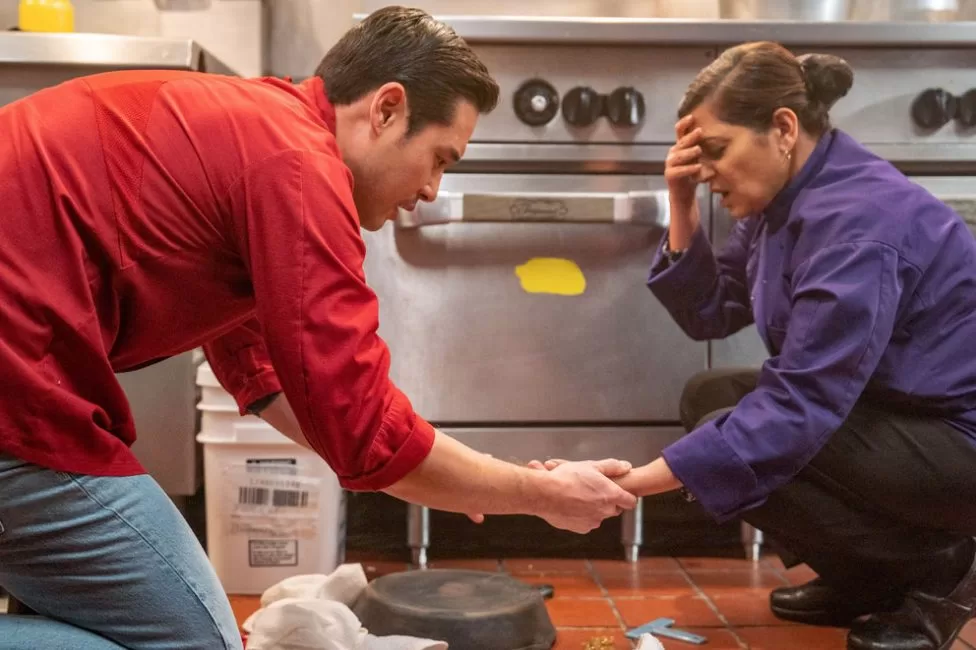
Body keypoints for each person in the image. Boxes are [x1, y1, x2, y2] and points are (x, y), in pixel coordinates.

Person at [0, 7, 636, 649]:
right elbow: (358, 425)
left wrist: (467, 476)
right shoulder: (299, 165)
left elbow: (275, 376)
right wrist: (535, 494)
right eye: (439, 158)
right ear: (386, 110)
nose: (433, 190)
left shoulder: (258, 132)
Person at [577, 41, 976, 650]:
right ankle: (867, 580)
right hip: (899, 416)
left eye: (715, 150)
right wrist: (681, 201)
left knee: (746, 428)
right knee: (711, 395)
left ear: (783, 129)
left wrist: (628, 485)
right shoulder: (783, 200)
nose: (705, 169)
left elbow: (802, 405)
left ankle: (939, 576)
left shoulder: (858, 225)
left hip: (957, 440)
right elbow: (712, 311)